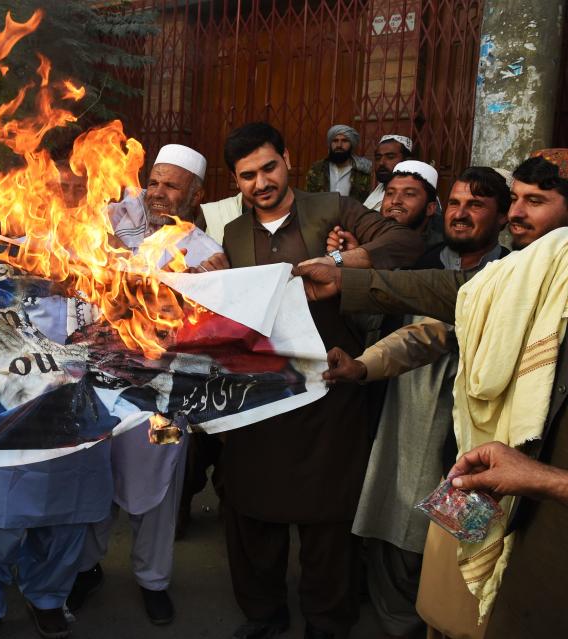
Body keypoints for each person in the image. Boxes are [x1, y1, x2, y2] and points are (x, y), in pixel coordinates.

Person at [294, 150, 568, 638]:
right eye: (518, 200)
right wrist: (360, 355)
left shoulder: (529, 276)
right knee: (437, 575)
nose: (520, 214)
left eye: (538, 201)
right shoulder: (508, 279)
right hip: (470, 454)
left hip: (541, 495)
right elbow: (436, 324)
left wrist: (546, 478)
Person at [214, 122, 423, 639]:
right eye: (247, 176)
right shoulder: (234, 233)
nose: (261, 182)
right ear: (236, 183)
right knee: (251, 508)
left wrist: (340, 261)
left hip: (329, 386)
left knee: (328, 516)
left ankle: (328, 621)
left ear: (287, 159)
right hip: (257, 396)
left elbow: (404, 241)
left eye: (268, 167)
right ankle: (263, 613)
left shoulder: (332, 209)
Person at [324, 167, 510, 638]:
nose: (462, 214)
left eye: (476, 205)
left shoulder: (513, 275)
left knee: (463, 539)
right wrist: (363, 364)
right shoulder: (417, 263)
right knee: (399, 524)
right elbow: (418, 334)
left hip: (479, 425)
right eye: (456, 204)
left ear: (503, 217)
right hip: (407, 410)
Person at [69, 144, 226, 626]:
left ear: (195, 194)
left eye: (171, 185)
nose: (157, 193)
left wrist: (213, 288)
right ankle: (84, 568)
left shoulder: (207, 252)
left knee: (161, 482)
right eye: (153, 182)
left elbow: (216, 329)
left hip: (165, 398)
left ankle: (153, 580)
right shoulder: (111, 220)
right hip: (97, 385)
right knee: (93, 478)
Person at [0, 164, 114, 639]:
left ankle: (48, 597)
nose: (64, 200)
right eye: (56, 190)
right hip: (10, 415)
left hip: (80, 417)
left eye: (75, 191)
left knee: (68, 519)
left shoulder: (101, 255)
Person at [328, 160, 443, 254]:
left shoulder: (438, 253)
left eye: (409, 194)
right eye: (390, 193)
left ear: (430, 208)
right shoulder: (365, 233)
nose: (395, 201)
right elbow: (340, 265)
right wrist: (340, 256)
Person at [305, 124, 372, 202]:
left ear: (351, 144)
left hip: (353, 213)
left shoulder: (362, 171)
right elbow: (308, 198)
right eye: (335, 141)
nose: (339, 145)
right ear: (330, 144)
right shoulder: (317, 169)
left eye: (344, 141)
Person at [363, 134, 413, 210]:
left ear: (406, 160)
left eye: (390, 157)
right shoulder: (381, 188)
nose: (381, 163)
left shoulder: (415, 194)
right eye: (378, 158)